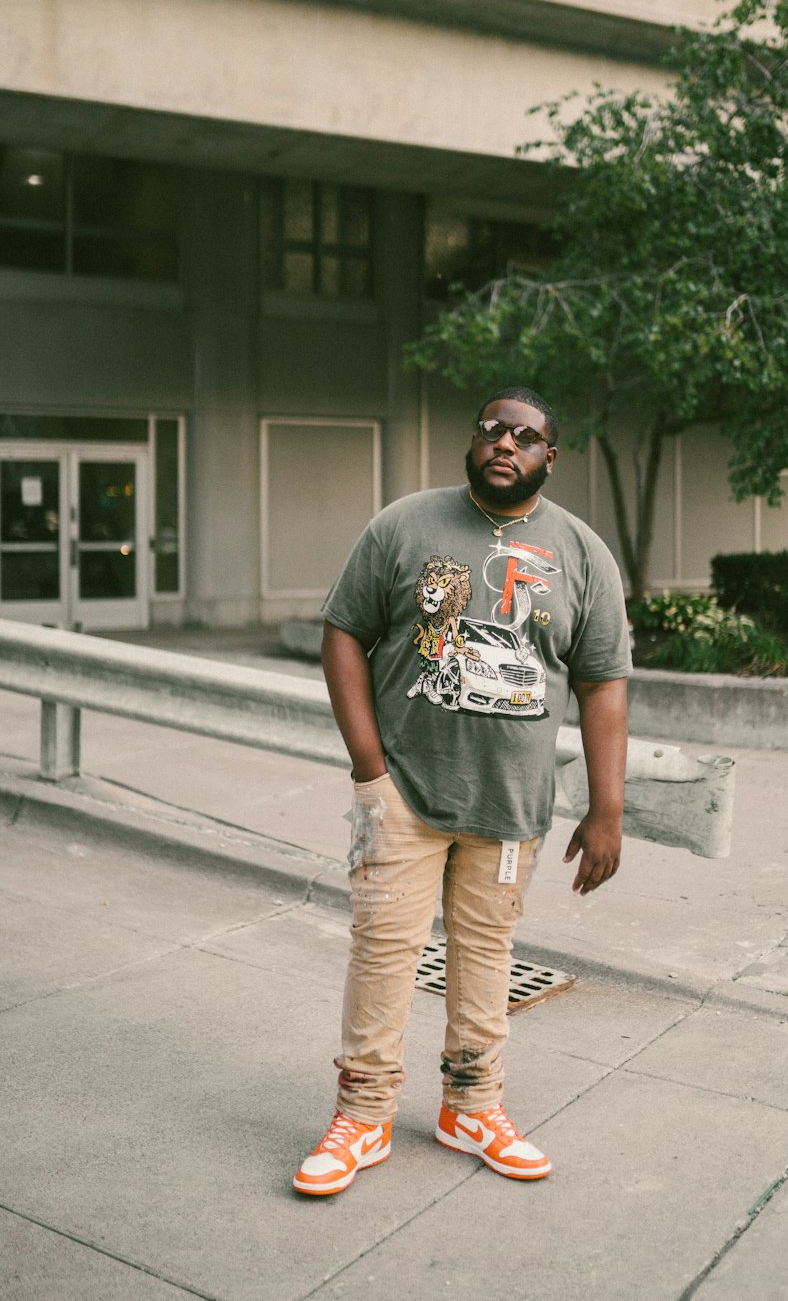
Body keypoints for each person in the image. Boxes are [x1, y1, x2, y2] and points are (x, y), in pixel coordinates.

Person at [293, 387, 631, 1196]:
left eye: (527, 436)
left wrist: (609, 808)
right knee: (384, 951)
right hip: (403, 791)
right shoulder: (404, 525)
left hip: (513, 805)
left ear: (552, 456)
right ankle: (363, 1115)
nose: (506, 443)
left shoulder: (582, 555)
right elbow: (343, 630)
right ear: (472, 443)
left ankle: (472, 1107)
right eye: (493, 429)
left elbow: (603, 683)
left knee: (485, 956)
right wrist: (369, 768)